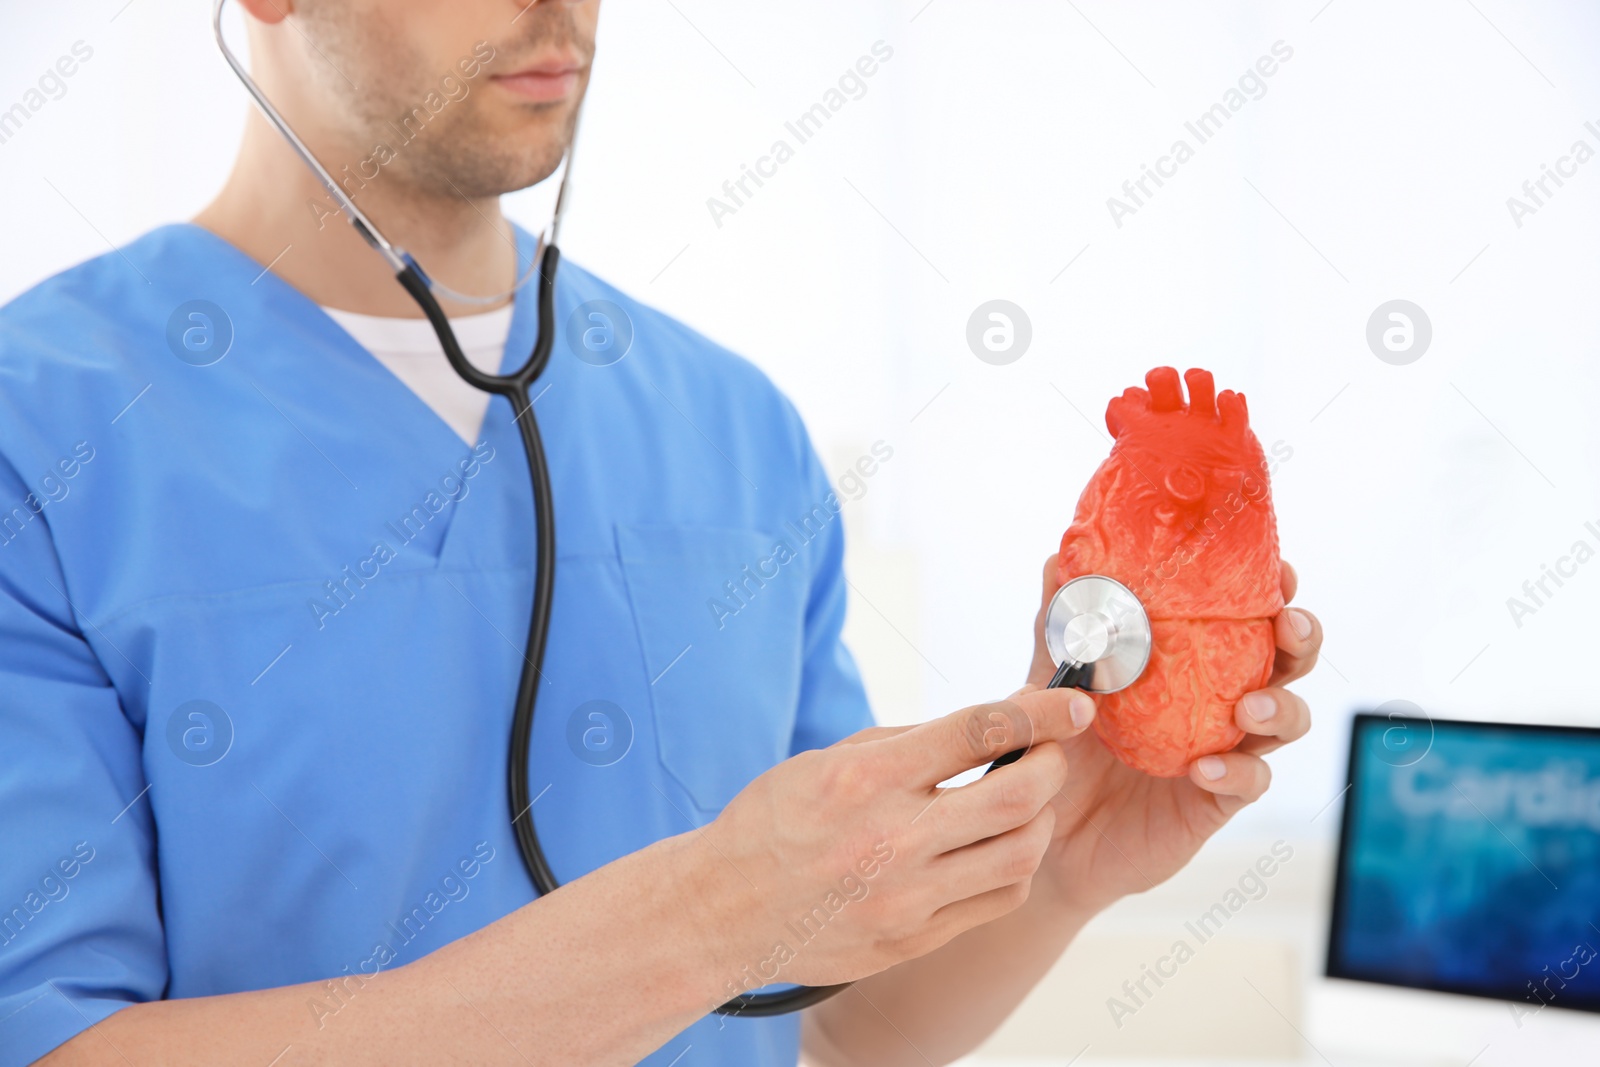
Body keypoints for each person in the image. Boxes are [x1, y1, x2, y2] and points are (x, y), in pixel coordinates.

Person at [0, 2, 1321, 1064]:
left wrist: (1057, 866)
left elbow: (833, 1024)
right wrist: (700, 919)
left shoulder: (735, 426)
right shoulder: (39, 434)